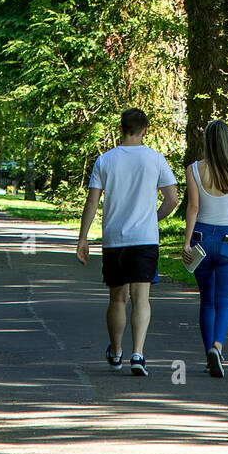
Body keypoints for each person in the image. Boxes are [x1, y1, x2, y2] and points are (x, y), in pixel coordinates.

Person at [77, 108, 178, 377]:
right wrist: (152, 218)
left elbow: (92, 201)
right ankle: (139, 354)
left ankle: (117, 352)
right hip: (145, 238)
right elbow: (172, 200)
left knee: (117, 298)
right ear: (145, 130)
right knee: (141, 298)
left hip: (115, 239)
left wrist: (83, 238)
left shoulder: (105, 161)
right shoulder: (156, 159)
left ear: (121, 129)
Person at [182, 119, 228, 377]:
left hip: (202, 238)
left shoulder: (194, 169)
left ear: (207, 142)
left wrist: (187, 241)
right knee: (225, 301)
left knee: (207, 301)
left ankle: (208, 355)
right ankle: (218, 347)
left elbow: (192, 207)